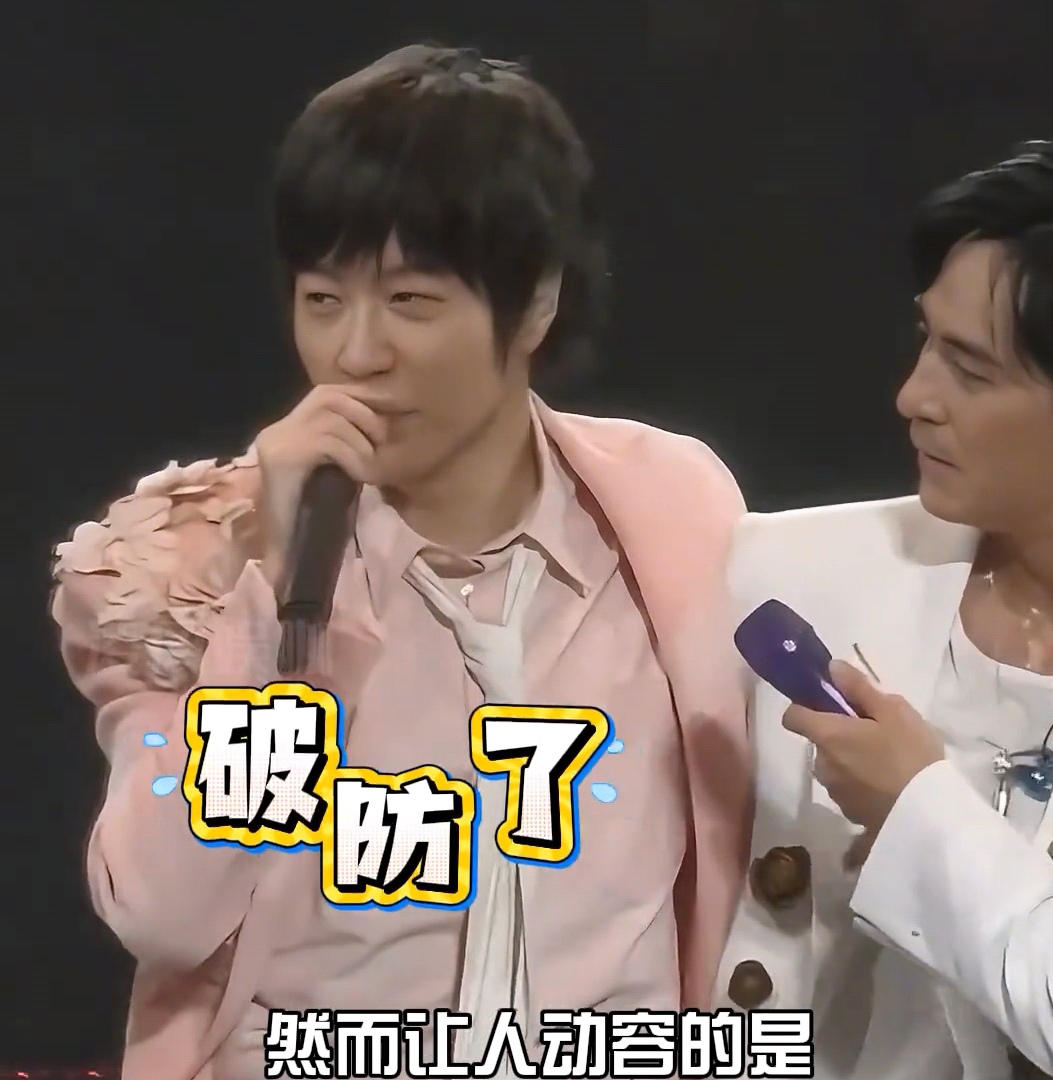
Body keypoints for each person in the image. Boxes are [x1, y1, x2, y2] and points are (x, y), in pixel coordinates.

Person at [50, 45, 751, 1080]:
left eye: (411, 301)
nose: (356, 354)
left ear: (536, 303)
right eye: (323, 299)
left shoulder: (672, 510)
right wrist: (279, 612)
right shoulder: (190, 563)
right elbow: (165, 915)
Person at [721, 141, 1053, 1080]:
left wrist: (915, 810)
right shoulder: (786, 573)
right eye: (927, 341)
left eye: (971, 369)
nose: (913, 397)